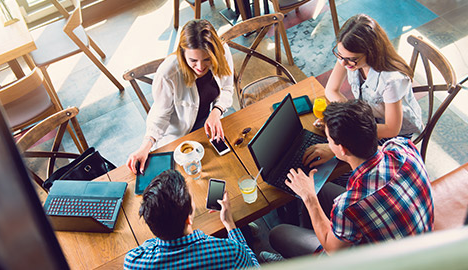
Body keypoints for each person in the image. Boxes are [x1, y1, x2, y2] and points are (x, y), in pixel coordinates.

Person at [261, 100, 433, 261]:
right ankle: (315, 234)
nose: (328, 143)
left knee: (278, 233)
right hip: (419, 240)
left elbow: (332, 250)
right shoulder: (402, 147)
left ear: (342, 148)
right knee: (323, 188)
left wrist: (308, 196)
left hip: (386, 262)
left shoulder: (349, 205)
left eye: (328, 140)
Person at [126, 19, 234, 174]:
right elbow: (160, 115)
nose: (200, 67)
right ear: (183, 54)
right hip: (178, 136)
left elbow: (227, 88)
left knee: (225, 167)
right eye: (193, 60)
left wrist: (217, 111)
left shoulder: (222, 52)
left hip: (207, 123)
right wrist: (145, 146)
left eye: (207, 59)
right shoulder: (168, 73)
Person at [124, 170, 259, 269]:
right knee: (246, 231)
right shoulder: (232, 252)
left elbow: (149, 245)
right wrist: (229, 223)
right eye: (192, 199)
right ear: (188, 219)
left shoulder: (133, 262)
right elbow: (254, 267)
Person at [321, 14, 423, 140]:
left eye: (351, 59)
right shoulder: (347, 56)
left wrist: (347, 124)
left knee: (341, 150)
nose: (342, 63)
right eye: (339, 55)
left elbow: (391, 130)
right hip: (369, 118)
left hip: (396, 133)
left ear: (371, 52)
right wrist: (344, 118)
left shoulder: (392, 81)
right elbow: (331, 90)